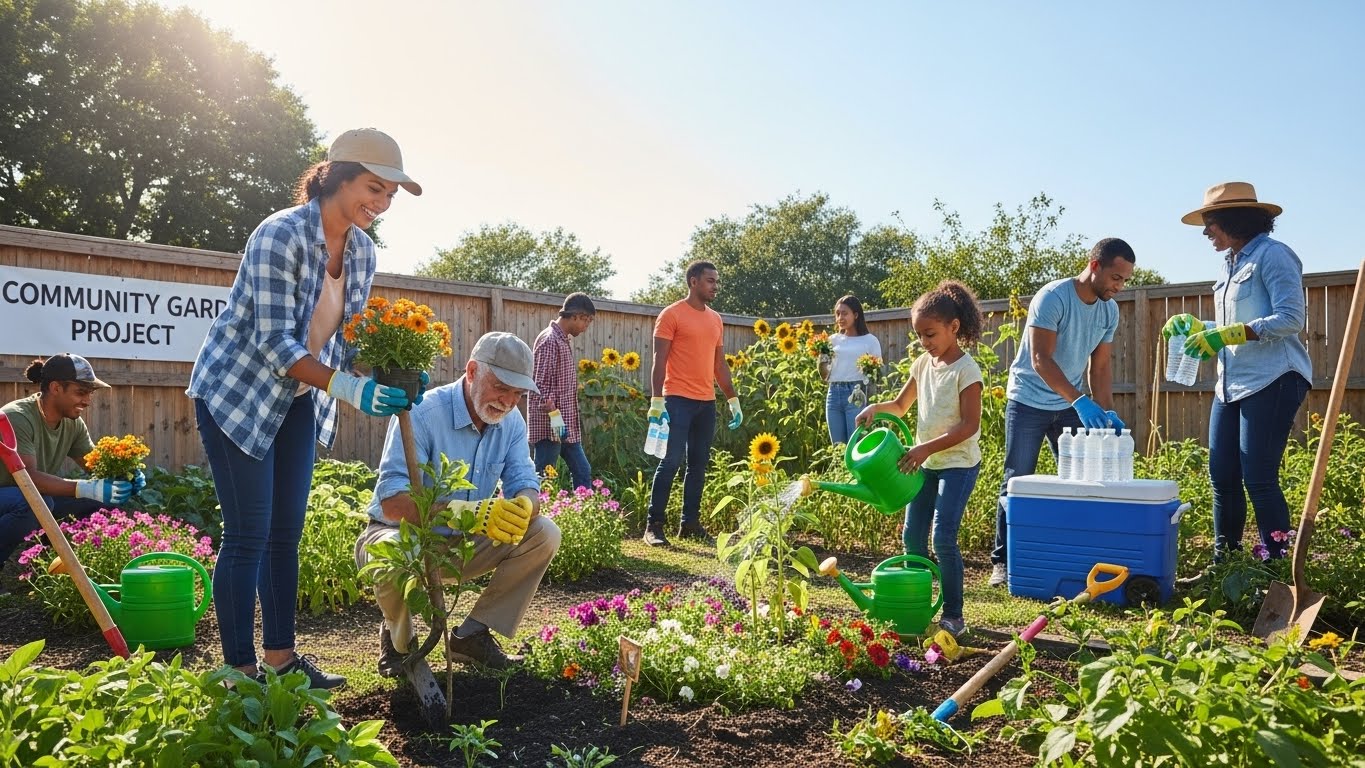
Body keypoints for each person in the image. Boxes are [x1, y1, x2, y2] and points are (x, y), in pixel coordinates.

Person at [187, 128, 422, 689]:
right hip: (238, 394)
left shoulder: (363, 251)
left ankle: (281, 660)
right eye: (374, 187)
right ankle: (239, 671)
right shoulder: (280, 235)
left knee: (286, 532)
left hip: (297, 398)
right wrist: (350, 390)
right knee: (248, 533)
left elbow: (349, 335)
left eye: (390, 194)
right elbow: (274, 344)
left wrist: (393, 371)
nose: (382, 203)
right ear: (337, 176)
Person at [355, 332, 556, 676]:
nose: (508, 402)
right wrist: (466, 513)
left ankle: (472, 635)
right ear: (473, 371)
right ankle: (399, 642)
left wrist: (524, 505)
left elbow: (526, 483)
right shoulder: (423, 413)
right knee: (395, 552)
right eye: (501, 388)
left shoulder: (511, 423)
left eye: (518, 394)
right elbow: (392, 504)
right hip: (404, 536)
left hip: (461, 546)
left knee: (544, 533)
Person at [1163, 182, 1311, 562]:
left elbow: (1290, 318)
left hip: (1274, 377)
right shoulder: (1231, 262)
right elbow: (1236, 321)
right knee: (1222, 476)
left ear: (1233, 220)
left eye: (1210, 222)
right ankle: (1224, 564)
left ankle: (1276, 565)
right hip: (1230, 384)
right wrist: (1200, 326)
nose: (1205, 231)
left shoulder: (1274, 256)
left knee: (1259, 478)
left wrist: (1229, 333)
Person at [990, 238, 1135, 587]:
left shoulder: (1108, 311)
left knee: (1082, 479)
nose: (1119, 287)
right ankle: (1002, 561)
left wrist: (1105, 413)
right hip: (1028, 399)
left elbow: (1099, 368)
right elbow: (1041, 359)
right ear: (1095, 265)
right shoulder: (1053, 297)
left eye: (1125, 280)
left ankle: (1074, 553)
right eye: (1116, 277)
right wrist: (1079, 402)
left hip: (1070, 402)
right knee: (1017, 477)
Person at [856, 281, 984, 636]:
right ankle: (919, 604)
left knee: (943, 537)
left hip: (957, 464)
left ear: (953, 327)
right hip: (925, 464)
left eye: (930, 334)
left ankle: (954, 615)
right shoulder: (922, 364)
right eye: (919, 336)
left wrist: (926, 447)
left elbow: (970, 426)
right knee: (913, 538)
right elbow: (900, 405)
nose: (924, 342)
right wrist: (875, 409)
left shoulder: (966, 371)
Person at [0, 354, 144, 565]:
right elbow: (28, 479)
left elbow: (95, 467)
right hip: (11, 494)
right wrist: (85, 487)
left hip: (28, 496)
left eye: (90, 393)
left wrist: (125, 475)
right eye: (81, 392)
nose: (87, 401)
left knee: (101, 500)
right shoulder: (16, 417)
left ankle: (48, 566)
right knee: (34, 504)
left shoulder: (73, 423)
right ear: (56, 388)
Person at [642, 261, 742, 547]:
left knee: (698, 465)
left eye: (716, 281)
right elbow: (659, 361)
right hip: (676, 400)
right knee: (670, 461)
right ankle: (654, 526)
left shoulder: (715, 320)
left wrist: (732, 399)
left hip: (705, 403)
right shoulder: (671, 315)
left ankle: (690, 524)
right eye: (710, 281)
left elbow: (718, 364)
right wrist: (656, 401)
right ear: (693, 281)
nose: (715, 286)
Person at [529, 292, 596, 490]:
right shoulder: (550, 340)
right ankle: (532, 515)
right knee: (543, 477)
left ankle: (583, 515)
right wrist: (555, 417)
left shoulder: (562, 340)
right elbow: (539, 385)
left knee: (582, 470)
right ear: (576, 316)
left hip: (563, 427)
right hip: (551, 428)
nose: (586, 327)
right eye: (587, 321)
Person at [821, 295, 882, 445]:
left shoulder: (870, 340)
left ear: (856, 315)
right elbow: (823, 375)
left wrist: (869, 368)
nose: (840, 317)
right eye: (837, 313)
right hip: (833, 393)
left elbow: (878, 374)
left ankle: (854, 470)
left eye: (844, 313)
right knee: (837, 446)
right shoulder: (831, 340)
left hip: (856, 393)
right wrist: (821, 357)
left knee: (855, 445)